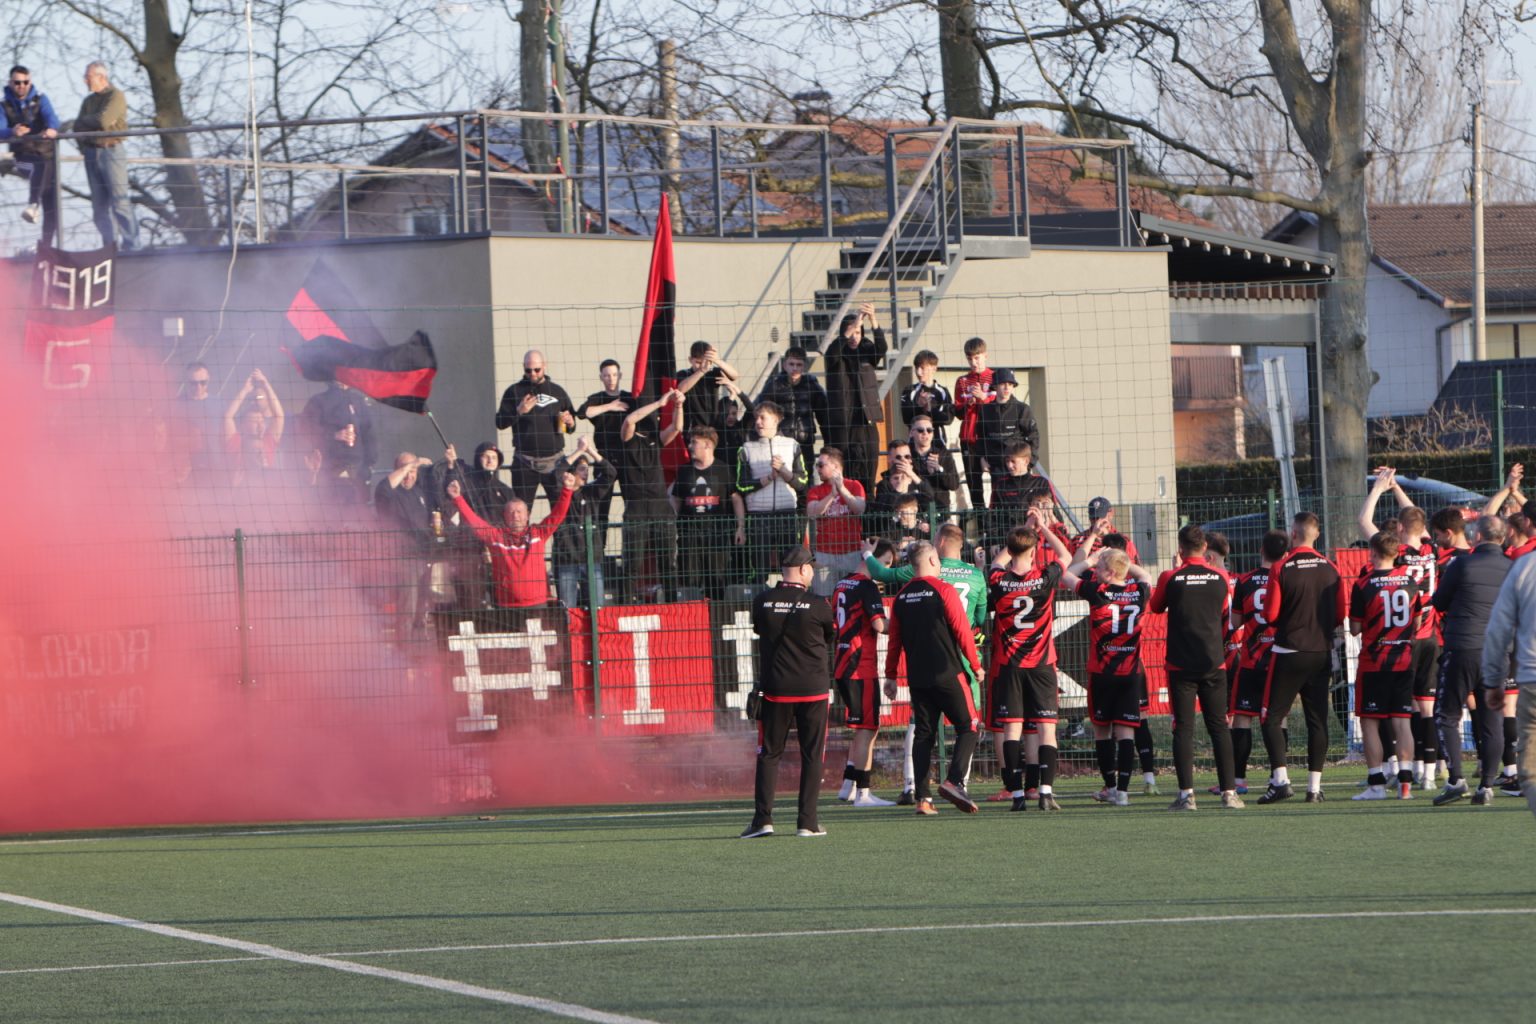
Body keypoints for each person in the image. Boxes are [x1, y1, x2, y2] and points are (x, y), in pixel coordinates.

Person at [862, 523, 987, 804]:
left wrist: (890, 676)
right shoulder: (944, 590)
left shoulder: (902, 596)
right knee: (969, 726)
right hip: (948, 672)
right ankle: (955, 781)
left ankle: (922, 799)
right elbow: (963, 631)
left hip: (917, 677)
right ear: (932, 560)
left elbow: (894, 640)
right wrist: (975, 664)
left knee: (923, 734)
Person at [742, 547, 835, 838]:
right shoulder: (819, 603)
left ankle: (762, 820)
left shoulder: (762, 601)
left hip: (776, 689)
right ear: (805, 570)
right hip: (813, 689)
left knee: (769, 754)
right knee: (812, 755)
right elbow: (830, 636)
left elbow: (760, 629)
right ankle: (807, 822)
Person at [1149, 524, 1243, 811]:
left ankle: (1186, 795)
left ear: (1180, 549)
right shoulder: (1220, 577)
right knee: (1219, 727)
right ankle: (1229, 793)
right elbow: (1225, 613)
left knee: (1183, 728)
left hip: (1180, 664)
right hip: (1213, 661)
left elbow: (1155, 606)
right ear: (1204, 548)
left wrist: (1177, 573)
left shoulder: (1170, 577)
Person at [1358, 468, 1442, 787]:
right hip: (1430, 635)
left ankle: (1394, 768)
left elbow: (1364, 521)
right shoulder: (1430, 550)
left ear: (1401, 529)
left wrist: (1380, 489)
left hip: (1404, 640)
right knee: (1424, 708)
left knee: (1395, 710)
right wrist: (1396, 488)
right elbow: (1414, 517)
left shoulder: (1398, 555)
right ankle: (1427, 772)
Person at [1254, 512, 1343, 805]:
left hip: (1289, 652)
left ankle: (1281, 781)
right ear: (1317, 534)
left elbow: (1270, 615)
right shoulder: (1331, 567)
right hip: (1321, 652)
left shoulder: (1281, 567)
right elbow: (1340, 613)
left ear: (1293, 534)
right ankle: (1314, 788)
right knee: (1317, 720)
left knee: (1271, 717)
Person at [988, 512, 1074, 811]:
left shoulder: (998, 580)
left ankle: (1016, 795)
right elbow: (1066, 555)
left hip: (1010, 665)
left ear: (1010, 550)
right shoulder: (1044, 577)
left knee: (1012, 730)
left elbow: (996, 563)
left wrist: (1022, 531)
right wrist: (1043, 528)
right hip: (1041, 664)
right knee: (1046, 727)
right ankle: (1046, 792)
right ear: (1035, 550)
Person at [1431, 515, 1514, 806]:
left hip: (1462, 647)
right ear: (1503, 538)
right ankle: (1487, 785)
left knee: (1446, 714)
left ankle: (1456, 780)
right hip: (1497, 652)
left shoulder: (1461, 564)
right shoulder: (1512, 568)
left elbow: (1439, 602)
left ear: (1477, 536)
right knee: (1493, 721)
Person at [1065, 543, 1153, 806]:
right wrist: (1121, 562)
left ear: (1111, 572)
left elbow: (1067, 575)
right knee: (1126, 734)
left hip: (1102, 673)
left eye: (1101, 567)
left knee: (1102, 733)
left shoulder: (1098, 591)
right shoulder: (1139, 592)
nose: (1095, 570)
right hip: (1129, 674)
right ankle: (1123, 793)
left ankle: (1112, 787)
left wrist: (1089, 560)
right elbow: (1144, 575)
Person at [1349, 531, 1424, 801]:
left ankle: (1376, 785)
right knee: (1402, 721)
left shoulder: (1364, 584)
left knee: (1370, 722)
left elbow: (1354, 628)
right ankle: (1405, 784)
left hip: (1374, 662)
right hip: (1403, 659)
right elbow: (1416, 622)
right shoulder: (1410, 582)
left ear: (1373, 551)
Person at [446, 473, 573, 609]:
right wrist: (457, 498)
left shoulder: (538, 533)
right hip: (506, 606)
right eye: (511, 512)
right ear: (504, 516)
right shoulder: (496, 536)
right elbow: (475, 522)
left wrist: (567, 490)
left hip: (537, 604)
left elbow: (557, 515)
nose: (515, 516)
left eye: (519, 512)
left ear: (527, 515)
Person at [832, 540, 894, 808]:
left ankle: (848, 785)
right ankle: (863, 793)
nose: (886, 570)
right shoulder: (867, 586)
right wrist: (906, 623)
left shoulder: (841, 584)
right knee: (867, 728)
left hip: (842, 662)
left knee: (861, 728)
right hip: (860, 665)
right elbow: (880, 625)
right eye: (886, 563)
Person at [1228, 529, 1289, 795]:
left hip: (1252, 659)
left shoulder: (1245, 580)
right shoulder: (1287, 578)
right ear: (1285, 555)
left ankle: (1239, 779)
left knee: (1243, 717)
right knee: (1279, 718)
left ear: (1261, 550)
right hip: (1279, 659)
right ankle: (1277, 776)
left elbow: (1235, 622)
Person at [1481, 531, 1536, 820]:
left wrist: (1492, 680)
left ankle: (1515, 774)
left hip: (1531, 674)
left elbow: (1499, 628)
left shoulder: (1523, 565)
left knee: (1530, 767)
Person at [618, 388, 683, 602]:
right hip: (637, 508)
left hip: (660, 507)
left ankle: (672, 604)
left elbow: (676, 427)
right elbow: (629, 421)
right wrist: (659, 403)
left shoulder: (656, 439)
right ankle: (625, 607)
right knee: (632, 563)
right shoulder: (628, 439)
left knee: (668, 563)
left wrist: (678, 405)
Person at [669, 426, 745, 600]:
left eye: (694, 442)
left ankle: (716, 614)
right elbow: (676, 499)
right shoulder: (684, 471)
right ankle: (693, 615)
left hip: (717, 535)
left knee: (717, 581)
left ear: (708, 445)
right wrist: (672, 526)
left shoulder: (723, 469)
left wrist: (740, 527)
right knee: (690, 582)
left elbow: (736, 498)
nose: (690, 446)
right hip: (689, 535)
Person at [735, 401, 807, 583]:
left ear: (776, 419)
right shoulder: (746, 448)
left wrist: (784, 471)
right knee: (758, 569)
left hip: (787, 514)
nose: (758, 422)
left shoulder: (792, 445)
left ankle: (793, 595)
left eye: (763, 418)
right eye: (756, 418)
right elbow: (741, 485)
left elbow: (802, 483)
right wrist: (767, 478)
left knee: (791, 565)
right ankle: (758, 596)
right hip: (758, 516)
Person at [495, 350, 576, 507]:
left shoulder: (557, 391)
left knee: (560, 511)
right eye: (528, 370)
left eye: (537, 370)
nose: (532, 374)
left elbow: (568, 427)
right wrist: (519, 411)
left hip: (555, 462)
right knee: (521, 512)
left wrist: (570, 424)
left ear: (544, 366)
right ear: (523, 368)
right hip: (525, 463)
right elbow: (500, 423)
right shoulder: (514, 391)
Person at [821, 302, 886, 493]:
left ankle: (868, 505)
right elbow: (832, 352)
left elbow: (881, 348)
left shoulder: (867, 351)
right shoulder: (834, 354)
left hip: (866, 420)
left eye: (858, 332)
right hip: (843, 423)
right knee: (844, 472)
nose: (854, 337)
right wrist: (855, 323)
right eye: (851, 332)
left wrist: (873, 319)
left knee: (869, 467)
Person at [375, 453, 440, 637]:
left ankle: (420, 646)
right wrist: (410, 465)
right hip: (405, 558)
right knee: (407, 609)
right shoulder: (389, 494)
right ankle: (404, 650)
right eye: (405, 469)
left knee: (423, 608)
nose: (409, 475)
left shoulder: (420, 492)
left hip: (425, 556)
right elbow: (383, 488)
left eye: (413, 471)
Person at [75, 61, 137, 250]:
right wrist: (85, 144)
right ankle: (109, 247)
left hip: (111, 151)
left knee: (120, 201)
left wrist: (87, 122)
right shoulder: (88, 101)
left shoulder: (116, 96)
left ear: (101, 77)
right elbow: (77, 126)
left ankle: (132, 245)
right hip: (91, 152)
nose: (85, 80)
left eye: (88, 77)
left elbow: (104, 120)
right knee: (99, 207)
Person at [550, 438, 616, 609]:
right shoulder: (560, 493)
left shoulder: (591, 492)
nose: (585, 473)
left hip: (591, 558)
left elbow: (610, 473)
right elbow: (556, 474)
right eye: (581, 469)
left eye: (587, 469)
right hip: (567, 559)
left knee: (597, 608)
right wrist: (579, 451)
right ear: (571, 472)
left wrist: (590, 451)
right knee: (568, 609)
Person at [1, 65, 60, 246]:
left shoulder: (40, 99)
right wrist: (12, 131)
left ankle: (47, 247)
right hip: (23, 157)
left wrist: (52, 128)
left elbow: (53, 118)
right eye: (17, 82)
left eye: (25, 82)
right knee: (37, 166)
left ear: (30, 82)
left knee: (52, 206)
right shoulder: (4, 105)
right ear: (10, 83)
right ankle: (33, 204)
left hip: (48, 156)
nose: (21, 86)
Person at [576, 358, 632, 541]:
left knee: (631, 505)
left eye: (614, 375)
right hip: (603, 458)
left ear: (620, 375)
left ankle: (630, 550)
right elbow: (582, 413)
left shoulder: (629, 397)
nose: (611, 379)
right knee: (601, 507)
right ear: (601, 377)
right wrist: (610, 406)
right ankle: (599, 550)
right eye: (607, 375)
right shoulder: (598, 399)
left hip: (627, 457)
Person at [806, 447, 867, 596]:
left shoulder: (854, 485)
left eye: (821, 465)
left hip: (851, 551)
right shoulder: (815, 491)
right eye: (817, 465)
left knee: (852, 595)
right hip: (825, 553)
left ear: (835, 467)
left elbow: (859, 508)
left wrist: (842, 489)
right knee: (824, 596)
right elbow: (812, 513)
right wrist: (832, 496)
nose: (817, 469)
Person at [755, 346, 829, 454]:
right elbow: (760, 412)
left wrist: (828, 444)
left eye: (799, 365)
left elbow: (824, 417)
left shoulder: (812, 386)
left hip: (805, 442)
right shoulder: (773, 385)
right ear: (785, 365)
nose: (795, 368)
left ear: (804, 366)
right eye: (791, 364)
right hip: (780, 442)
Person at [953, 336, 995, 511]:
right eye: (970, 359)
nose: (973, 362)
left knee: (998, 482)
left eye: (977, 358)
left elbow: (1001, 406)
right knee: (974, 486)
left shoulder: (995, 378)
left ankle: (996, 519)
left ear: (985, 355)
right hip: (969, 440)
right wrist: (968, 404)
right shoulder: (962, 382)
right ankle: (981, 522)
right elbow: (957, 412)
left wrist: (983, 398)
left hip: (991, 439)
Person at [222, 369, 285, 482]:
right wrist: (245, 390)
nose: (260, 425)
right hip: (242, 490)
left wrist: (266, 384)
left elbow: (279, 416)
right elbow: (228, 417)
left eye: (262, 421)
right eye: (255, 422)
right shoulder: (235, 443)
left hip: (266, 489)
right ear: (243, 425)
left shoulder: (268, 441)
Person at [977, 368, 1040, 482]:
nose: (1007, 388)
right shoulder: (985, 410)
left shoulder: (1022, 409)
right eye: (1003, 384)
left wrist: (1030, 462)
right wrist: (982, 458)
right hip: (995, 467)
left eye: (1010, 384)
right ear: (995, 386)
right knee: (999, 493)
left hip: (1018, 466)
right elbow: (981, 437)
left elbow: (1033, 436)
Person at [866, 439, 936, 528]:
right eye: (898, 457)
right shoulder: (884, 485)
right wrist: (899, 487)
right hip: (893, 531)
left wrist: (911, 474)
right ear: (890, 459)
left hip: (917, 530)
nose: (903, 460)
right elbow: (883, 509)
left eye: (907, 456)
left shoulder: (917, 480)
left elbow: (930, 497)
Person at [674, 340, 740, 429]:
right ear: (690, 360)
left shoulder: (712, 373)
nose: (702, 366)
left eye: (705, 362)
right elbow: (681, 389)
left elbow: (734, 375)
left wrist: (718, 361)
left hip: (712, 426)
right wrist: (702, 371)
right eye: (698, 363)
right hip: (692, 427)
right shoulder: (684, 374)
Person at [899, 350, 956, 445]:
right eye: (916, 368)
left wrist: (928, 410)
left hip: (937, 444)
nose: (918, 372)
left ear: (934, 368)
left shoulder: (942, 391)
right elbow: (906, 419)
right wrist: (919, 406)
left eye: (922, 368)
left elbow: (948, 419)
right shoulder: (909, 390)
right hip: (915, 445)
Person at [908, 414, 961, 513]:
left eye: (929, 430)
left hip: (940, 508)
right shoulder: (906, 454)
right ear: (911, 433)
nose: (925, 433)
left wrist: (939, 470)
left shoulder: (943, 453)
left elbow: (954, 485)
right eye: (920, 430)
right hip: (914, 510)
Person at [1070, 496, 1140, 565]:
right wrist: (1093, 535)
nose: (1097, 522)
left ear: (1111, 514)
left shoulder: (1123, 541)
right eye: (1094, 518)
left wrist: (1108, 537)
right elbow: (1070, 567)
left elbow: (1131, 567)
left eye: (1101, 517)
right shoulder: (1077, 540)